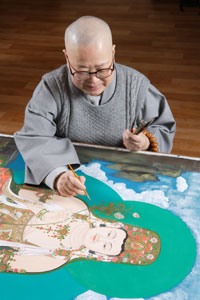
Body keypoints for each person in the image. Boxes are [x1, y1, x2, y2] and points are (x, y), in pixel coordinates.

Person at [14, 16, 176, 197]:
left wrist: (145, 142)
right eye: (82, 71)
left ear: (113, 53)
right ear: (67, 57)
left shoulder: (136, 86)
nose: (93, 80)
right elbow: (35, 137)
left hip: (122, 179)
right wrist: (57, 176)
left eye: (103, 69)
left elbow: (163, 125)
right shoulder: (51, 87)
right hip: (70, 173)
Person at [0, 167, 161, 273]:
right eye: (110, 234)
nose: (102, 238)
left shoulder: (56, 259)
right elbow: (21, 193)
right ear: (110, 225)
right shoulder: (78, 209)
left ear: (102, 255)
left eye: (106, 245)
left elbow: (8, 262)